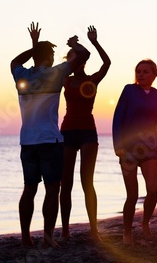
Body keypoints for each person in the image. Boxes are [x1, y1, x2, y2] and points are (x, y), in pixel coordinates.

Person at [10, 22, 90, 248]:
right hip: (51, 141)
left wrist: (33, 46)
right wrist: (74, 44)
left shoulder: (21, 75)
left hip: (28, 142)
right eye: (53, 53)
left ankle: (26, 238)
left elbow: (14, 61)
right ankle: (47, 238)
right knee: (52, 189)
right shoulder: (56, 73)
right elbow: (84, 54)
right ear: (50, 57)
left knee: (29, 189)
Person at [59, 25, 111, 243]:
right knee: (66, 183)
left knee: (87, 182)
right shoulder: (66, 79)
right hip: (68, 132)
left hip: (88, 133)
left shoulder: (92, 79)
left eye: (74, 57)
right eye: (69, 58)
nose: (72, 62)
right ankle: (65, 230)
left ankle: (93, 230)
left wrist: (94, 42)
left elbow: (107, 63)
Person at [112, 59, 157, 245]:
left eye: (145, 71)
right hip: (129, 150)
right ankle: (127, 232)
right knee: (132, 195)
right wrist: (118, 145)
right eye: (138, 71)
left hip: (149, 150)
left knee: (152, 191)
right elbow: (118, 117)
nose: (141, 74)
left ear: (154, 75)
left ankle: (145, 223)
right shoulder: (129, 90)